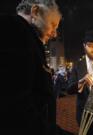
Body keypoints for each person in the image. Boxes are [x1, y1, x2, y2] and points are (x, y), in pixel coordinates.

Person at [0, 0, 61, 135]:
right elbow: (17, 111)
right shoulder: (16, 32)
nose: (54, 34)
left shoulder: (27, 37)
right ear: (35, 12)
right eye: (53, 25)